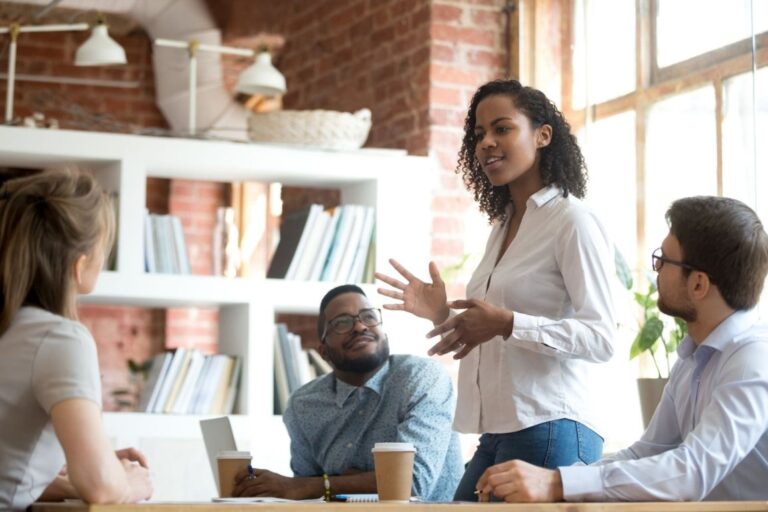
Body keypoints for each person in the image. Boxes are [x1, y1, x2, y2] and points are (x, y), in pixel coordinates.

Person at [375, 78, 617, 500]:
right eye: (478, 134)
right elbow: (495, 331)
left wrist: (507, 323)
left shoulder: (571, 221)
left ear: (543, 135)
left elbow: (601, 338)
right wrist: (440, 315)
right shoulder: (503, 227)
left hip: (553, 426)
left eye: (502, 128)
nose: (486, 143)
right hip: (500, 431)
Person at [476, 195, 768, 502]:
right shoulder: (695, 356)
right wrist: (564, 481)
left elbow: (692, 472)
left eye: (664, 260)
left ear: (698, 285)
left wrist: (558, 483)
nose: (655, 269)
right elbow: (647, 452)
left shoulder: (753, 359)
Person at [0, 171, 153, 510]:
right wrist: (127, 481)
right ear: (80, 264)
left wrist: (88, 462)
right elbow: (101, 489)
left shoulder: (12, 328)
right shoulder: (59, 338)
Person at [232, 284, 463, 501]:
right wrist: (343, 483)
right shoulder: (303, 405)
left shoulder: (422, 378)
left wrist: (323, 484)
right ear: (324, 352)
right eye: (342, 323)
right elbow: (308, 496)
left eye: (369, 317)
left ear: (385, 335)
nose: (360, 326)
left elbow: (411, 484)